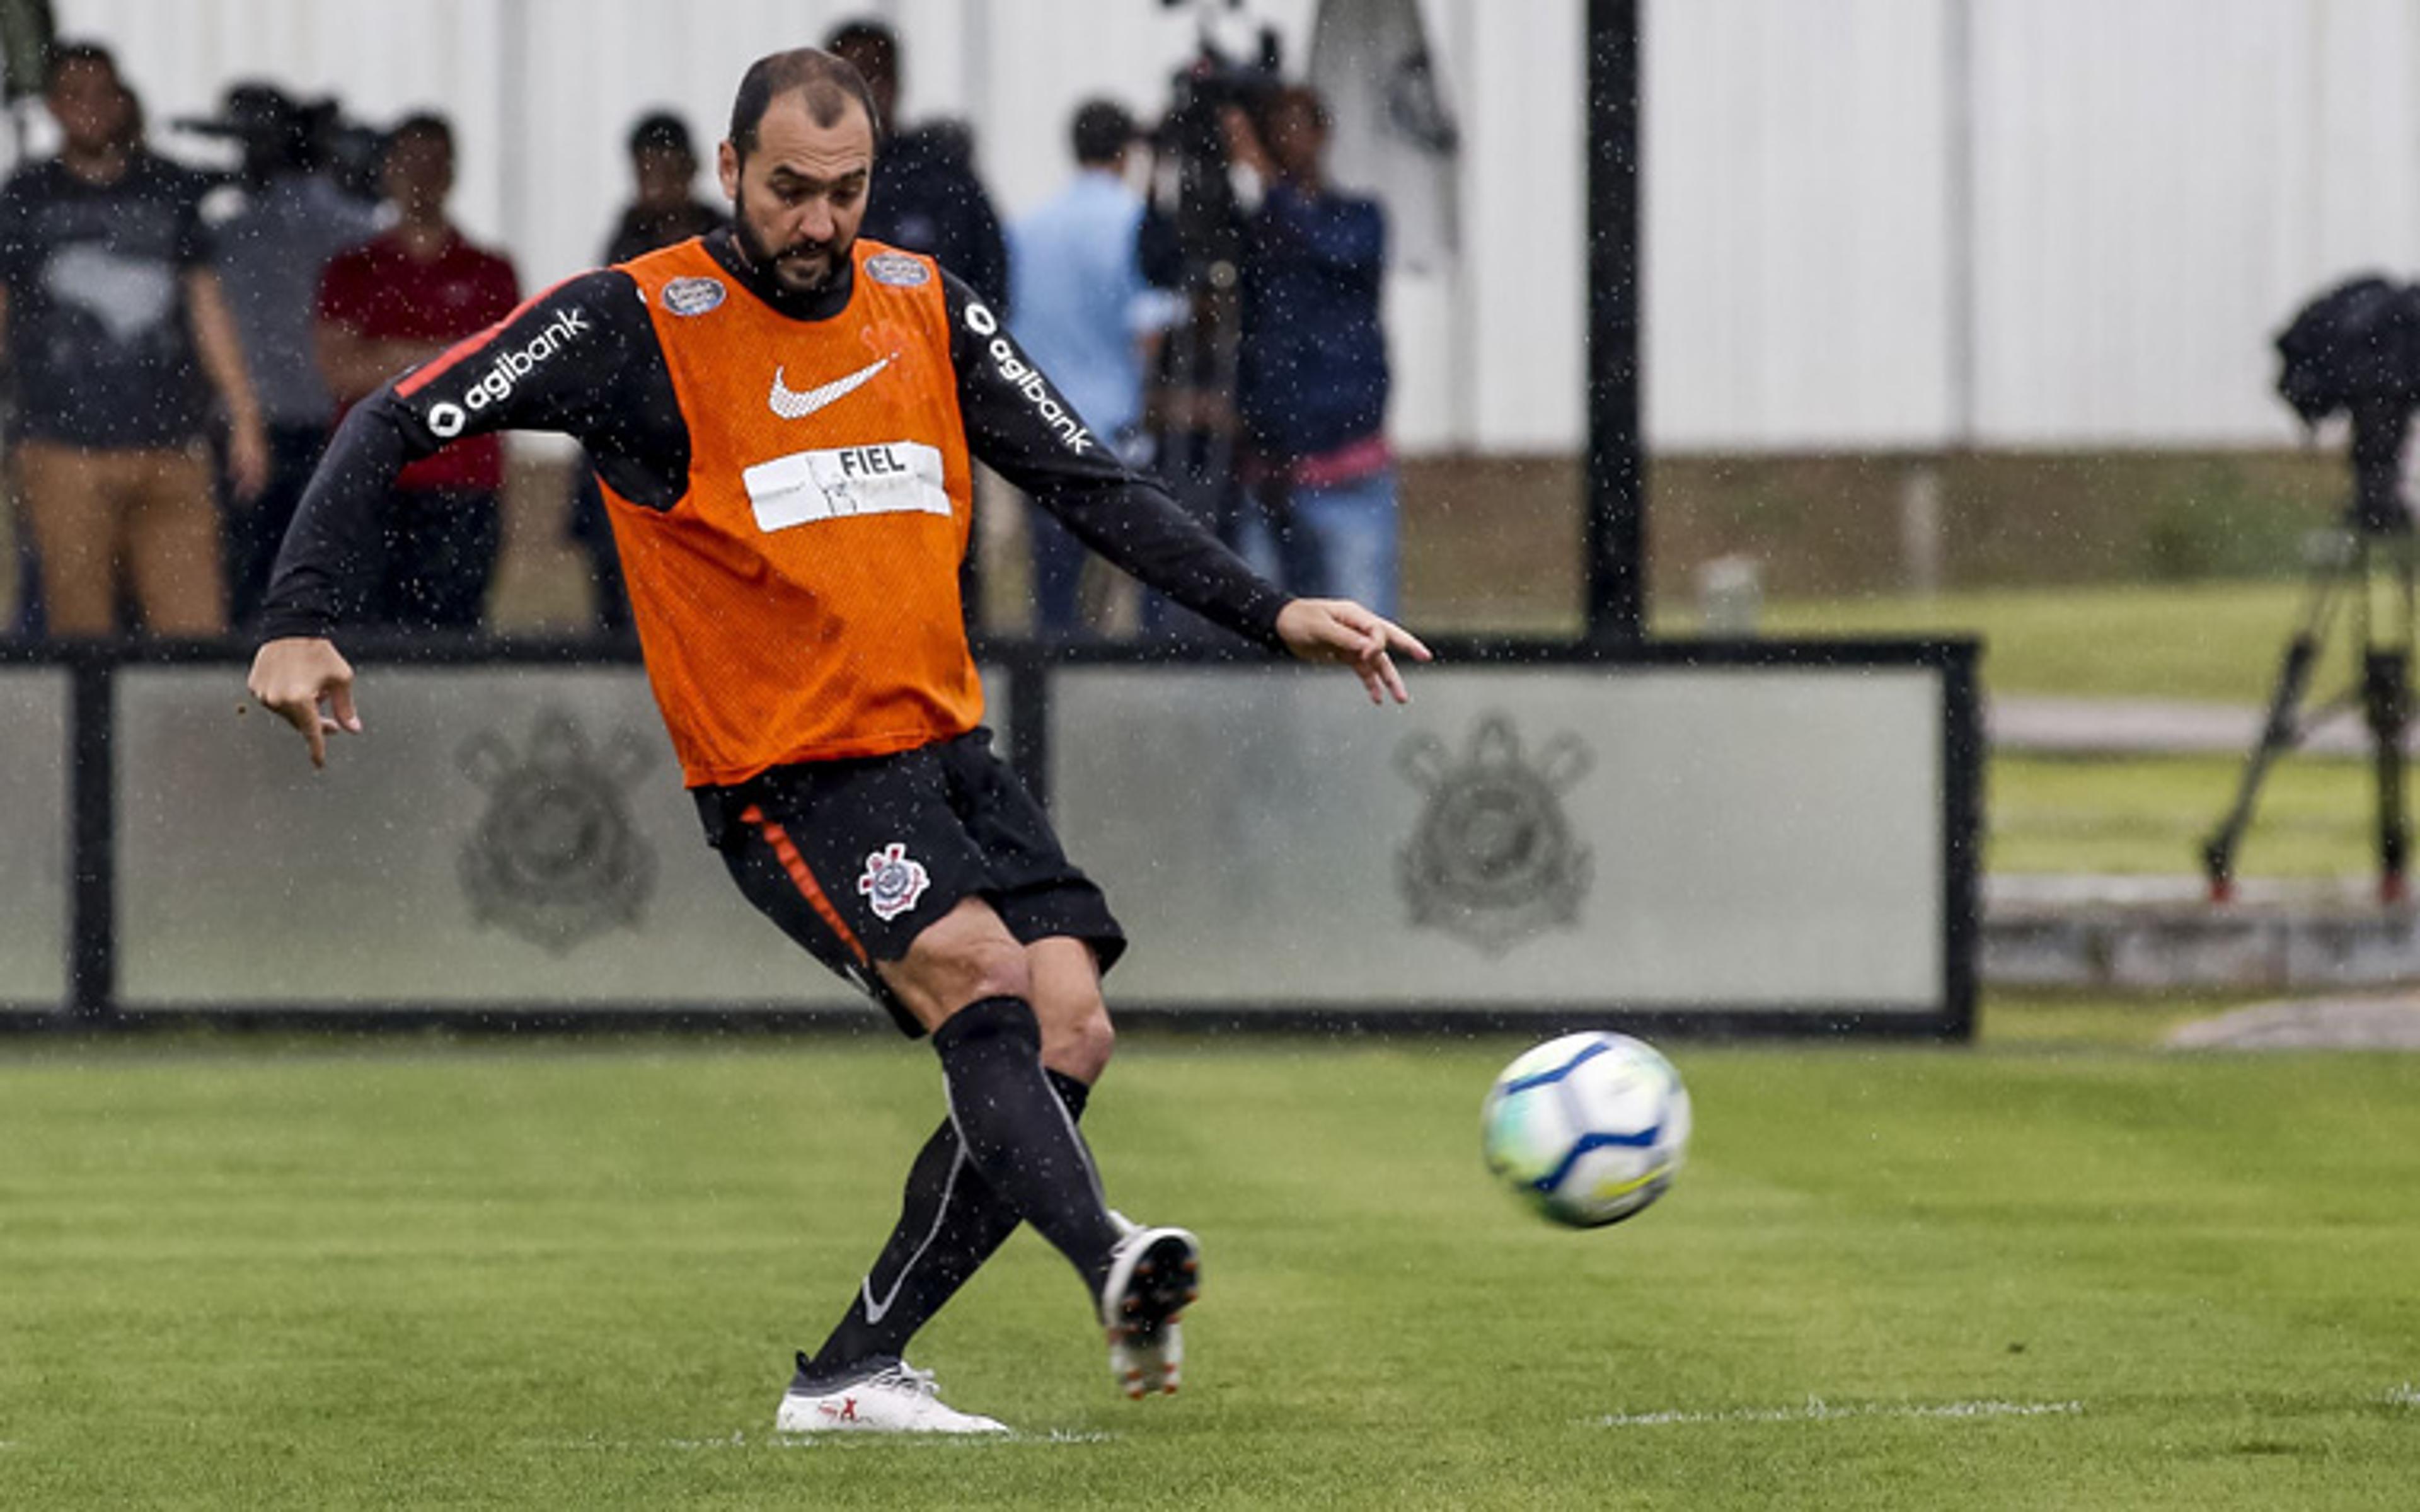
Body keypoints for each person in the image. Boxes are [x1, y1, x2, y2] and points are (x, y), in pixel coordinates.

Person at [247, 47, 1427, 1436]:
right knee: (981, 983)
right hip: (787, 773)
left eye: (848, 192)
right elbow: (397, 414)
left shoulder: (923, 303)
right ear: (732, 170)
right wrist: (299, 615)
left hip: (944, 749)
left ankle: (852, 1372)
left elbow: (1087, 481)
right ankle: (1111, 1258)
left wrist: (1273, 607)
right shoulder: (636, 319)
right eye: (793, 191)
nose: (821, 224)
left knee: (1073, 1027)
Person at [0, 42, 268, 638]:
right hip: (63, 447)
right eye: (74, 94)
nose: (90, 107)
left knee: (193, 629)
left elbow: (205, 306)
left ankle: (181, 733)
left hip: (170, 444)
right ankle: (93, 736)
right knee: (81, 630)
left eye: (101, 93)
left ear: (122, 100)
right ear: (53, 106)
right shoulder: (25, 197)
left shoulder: (167, 188)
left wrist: (244, 411)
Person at [313, 113, 519, 630]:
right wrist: (448, 353)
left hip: (463, 488)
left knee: (451, 649)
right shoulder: (353, 269)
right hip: (373, 485)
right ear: (387, 171)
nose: (421, 176)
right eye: (409, 162)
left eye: (434, 163)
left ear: (452, 172)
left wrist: (387, 356)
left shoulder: (490, 271)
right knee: (363, 644)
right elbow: (341, 373)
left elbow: (503, 379)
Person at [205, 83, 381, 629]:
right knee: (331, 584)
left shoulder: (231, 232)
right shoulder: (356, 228)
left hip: (260, 426)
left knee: (252, 585)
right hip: (320, 425)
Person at [1229, 85, 1398, 618]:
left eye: (1295, 128)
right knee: (1263, 635)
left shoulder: (1358, 218)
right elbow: (1166, 261)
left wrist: (1267, 178)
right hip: (1268, 470)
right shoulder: (1251, 230)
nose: (1285, 143)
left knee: (1362, 629)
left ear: (1321, 133)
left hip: (1345, 460)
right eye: (1274, 132)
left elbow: (1327, 246)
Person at [1008, 100, 1170, 636]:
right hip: (1120, 434)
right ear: (1126, 152)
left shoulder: (1028, 227)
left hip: (1044, 432)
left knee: (1055, 605)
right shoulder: (1137, 223)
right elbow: (1150, 330)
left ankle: (1051, 714)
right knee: (1145, 599)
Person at [570, 110, 727, 634]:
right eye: (650, 172)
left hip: (706, 442)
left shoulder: (724, 244)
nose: (660, 185)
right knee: (624, 594)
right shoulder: (624, 245)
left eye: (669, 170)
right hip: (633, 443)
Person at [823, 18, 1010, 313]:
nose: (863, 96)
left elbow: (990, 284)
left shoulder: (942, 178)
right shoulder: (805, 183)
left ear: (895, 83)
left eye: (873, 77)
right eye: (846, 84)